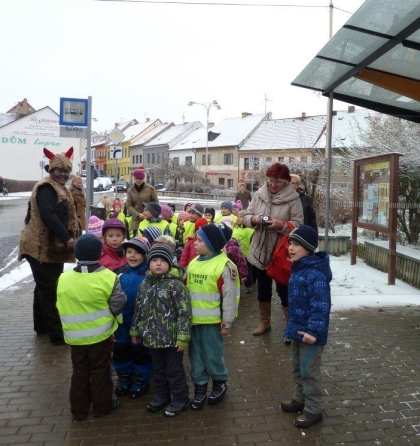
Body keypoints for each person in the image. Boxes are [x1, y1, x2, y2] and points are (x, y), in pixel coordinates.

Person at [56, 234, 127, 421]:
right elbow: (118, 303)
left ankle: (79, 411)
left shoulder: (63, 278)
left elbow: (58, 303)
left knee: (79, 372)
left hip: (74, 337)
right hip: (100, 336)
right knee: (100, 371)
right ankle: (102, 407)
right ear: (100, 253)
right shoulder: (108, 277)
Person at [18, 147, 78, 346]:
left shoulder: (60, 187)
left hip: (51, 245)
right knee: (49, 288)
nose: (63, 174)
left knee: (43, 287)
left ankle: (41, 327)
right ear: (51, 170)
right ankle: (57, 336)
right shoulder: (46, 188)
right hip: (39, 245)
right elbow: (48, 215)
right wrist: (67, 238)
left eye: (66, 170)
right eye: (59, 170)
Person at [130, 244, 192, 417]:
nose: (158, 264)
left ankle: (180, 398)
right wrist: (135, 331)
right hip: (151, 338)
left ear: (169, 264)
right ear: (149, 263)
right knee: (158, 370)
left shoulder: (176, 285)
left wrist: (182, 337)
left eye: (163, 261)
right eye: (154, 260)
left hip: (171, 339)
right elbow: (139, 310)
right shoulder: (144, 284)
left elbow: (184, 312)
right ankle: (162, 395)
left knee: (173, 370)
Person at [243, 163, 303, 337]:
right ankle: (265, 323)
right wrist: (253, 219)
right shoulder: (259, 195)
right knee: (263, 289)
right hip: (259, 251)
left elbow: (299, 224)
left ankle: (290, 327)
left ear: (286, 182)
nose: (273, 184)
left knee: (284, 290)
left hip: (281, 253)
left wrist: (281, 225)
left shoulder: (293, 199)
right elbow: (245, 216)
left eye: (277, 181)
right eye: (270, 180)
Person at [280, 225, 332, 428]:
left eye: (296, 245)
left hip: (311, 335)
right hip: (297, 331)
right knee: (297, 368)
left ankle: (313, 409)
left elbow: (321, 307)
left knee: (309, 371)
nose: (291, 248)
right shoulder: (299, 268)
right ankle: (299, 399)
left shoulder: (315, 275)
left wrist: (312, 331)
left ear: (308, 248)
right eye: (290, 244)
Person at [186, 223, 240, 410]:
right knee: (196, 357)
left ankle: (219, 382)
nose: (195, 243)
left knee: (212, 355)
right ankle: (200, 386)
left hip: (212, 323)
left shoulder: (224, 266)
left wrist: (227, 321)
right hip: (193, 322)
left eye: (200, 240)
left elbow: (229, 296)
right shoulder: (193, 263)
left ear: (211, 243)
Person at [114, 236, 152, 398]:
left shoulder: (149, 275)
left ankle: (140, 377)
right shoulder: (119, 272)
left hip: (141, 323)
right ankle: (124, 375)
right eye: (129, 252)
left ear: (145, 255)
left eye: (137, 252)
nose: (132, 256)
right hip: (122, 322)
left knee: (140, 351)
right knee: (121, 349)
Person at [126, 169, 158, 237]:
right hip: (136, 220)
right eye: (136, 178)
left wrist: (150, 214)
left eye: (140, 178)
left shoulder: (150, 189)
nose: (138, 180)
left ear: (143, 178)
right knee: (136, 241)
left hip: (149, 220)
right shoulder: (130, 191)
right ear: (134, 178)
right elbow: (129, 205)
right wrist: (138, 214)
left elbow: (156, 204)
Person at [233, 210, 254, 293]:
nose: (238, 218)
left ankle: (248, 285)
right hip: (236, 255)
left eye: (241, 217)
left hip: (246, 255)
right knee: (237, 270)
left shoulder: (249, 230)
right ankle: (238, 285)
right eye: (238, 216)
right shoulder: (235, 229)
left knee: (247, 270)